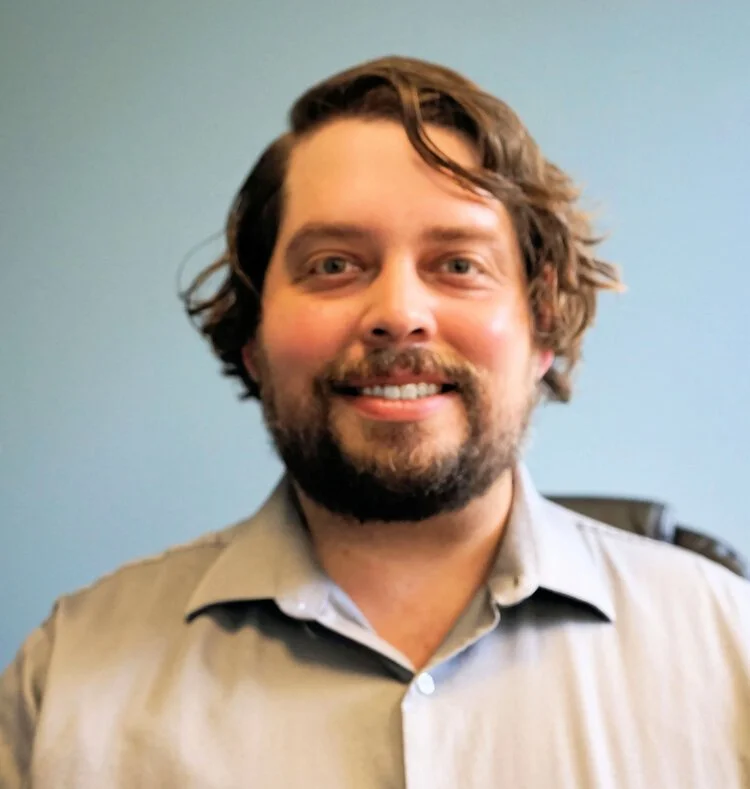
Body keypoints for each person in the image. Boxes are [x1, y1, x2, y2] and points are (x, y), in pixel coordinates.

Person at [1, 55, 748, 789]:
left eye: (458, 264)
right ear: (253, 335)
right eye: (333, 265)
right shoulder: (64, 681)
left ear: (541, 325)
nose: (398, 314)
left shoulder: (729, 651)